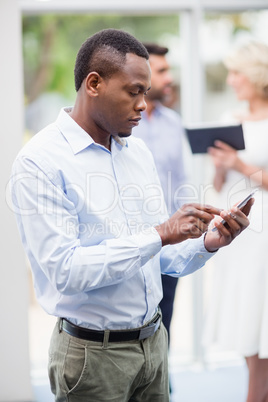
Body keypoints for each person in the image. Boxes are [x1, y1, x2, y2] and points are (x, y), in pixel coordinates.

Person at [10, 29, 252, 402]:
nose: (144, 104)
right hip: (93, 358)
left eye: (145, 92)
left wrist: (208, 242)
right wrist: (160, 233)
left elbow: (161, 257)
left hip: (154, 346)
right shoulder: (39, 162)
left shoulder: (137, 152)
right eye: (133, 91)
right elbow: (66, 271)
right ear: (94, 83)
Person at [202, 41, 268, 402]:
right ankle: (258, 389)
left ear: (257, 75)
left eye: (237, 72)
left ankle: (255, 394)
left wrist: (241, 166)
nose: (230, 80)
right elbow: (218, 186)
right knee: (246, 310)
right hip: (237, 231)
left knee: (262, 308)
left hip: (265, 233)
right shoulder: (230, 119)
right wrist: (219, 167)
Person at [133, 43, 188, 343]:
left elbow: (181, 180)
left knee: (165, 320)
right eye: (162, 71)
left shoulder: (174, 123)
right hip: (133, 242)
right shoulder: (120, 124)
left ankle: (162, 384)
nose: (169, 78)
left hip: (170, 242)